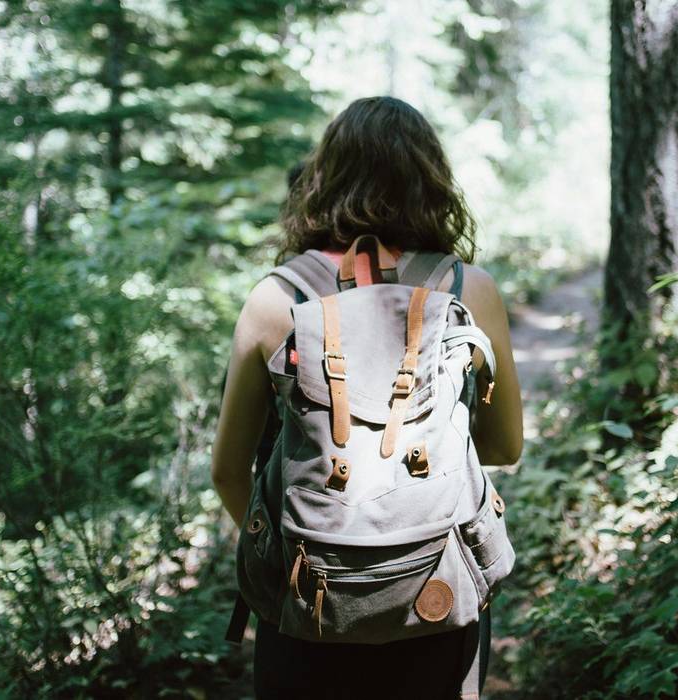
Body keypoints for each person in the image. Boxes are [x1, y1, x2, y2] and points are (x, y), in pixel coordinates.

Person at [211, 96, 524, 699]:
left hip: (306, 605)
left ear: (324, 179)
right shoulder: (468, 290)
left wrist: (298, 555)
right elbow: (504, 447)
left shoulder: (275, 299)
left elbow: (229, 471)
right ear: (431, 181)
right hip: (436, 594)